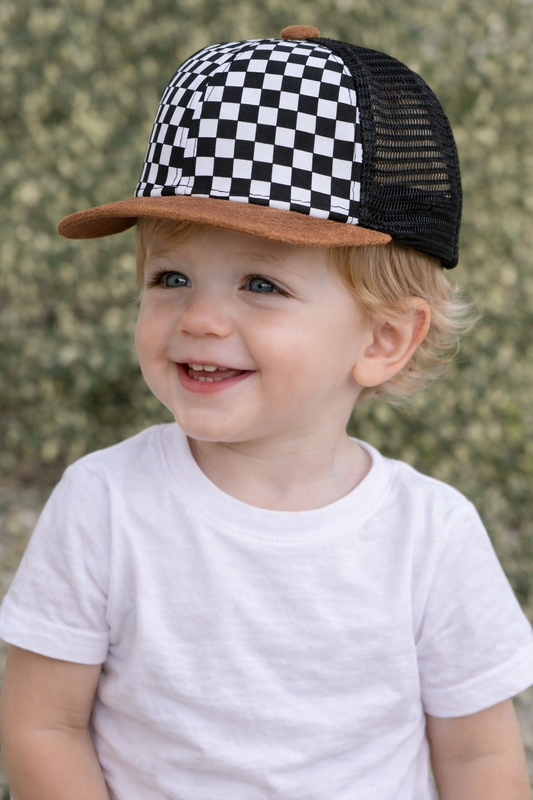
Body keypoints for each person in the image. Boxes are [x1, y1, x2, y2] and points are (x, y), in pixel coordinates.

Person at [0, 24, 532, 800]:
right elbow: (41, 725)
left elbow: (479, 759)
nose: (200, 319)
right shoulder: (104, 504)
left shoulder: (430, 536)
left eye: (260, 285)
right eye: (171, 276)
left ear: (383, 338)